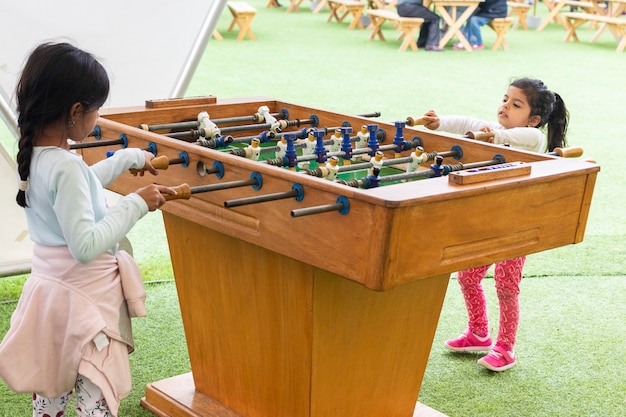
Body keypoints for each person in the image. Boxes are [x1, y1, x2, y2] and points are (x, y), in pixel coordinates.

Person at [0, 41, 177, 416]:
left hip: (52, 298)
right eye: (96, 109)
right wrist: (136, 203)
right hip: (85, 304)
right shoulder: (65, 166)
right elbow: (85, 244)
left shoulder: (35, 153)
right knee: (94, 395)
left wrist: (128, 159)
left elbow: (79, 190)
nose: (96, 118)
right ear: (75, 111)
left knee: (52, 393)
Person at [420, 77, 569, 371]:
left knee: (506, 285)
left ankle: (505, 348)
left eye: (516, 104)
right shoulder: (498, 129)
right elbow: (467, 121)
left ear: (533, 119)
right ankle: (478, 333)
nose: (505, 106)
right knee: (467, 276)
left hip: (519, 226)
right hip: (493, 220)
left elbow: (519, 139)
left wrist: (493, 137)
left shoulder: (532, 138)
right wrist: (440, 123)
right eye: (505, 99)